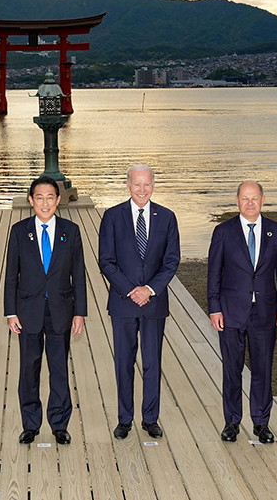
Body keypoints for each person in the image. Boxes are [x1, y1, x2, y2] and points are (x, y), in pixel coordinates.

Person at [98, 164, 180, 439]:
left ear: (153, 185)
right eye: (137, 184)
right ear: (128, 184)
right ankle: (124, 418)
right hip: (123, 302)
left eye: (146, 184)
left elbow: (171, 261)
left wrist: (149, 289)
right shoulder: (112, 217)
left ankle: (150, 418)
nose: (142, 189)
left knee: (152, 363)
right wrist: (132, 289)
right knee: (124, 361)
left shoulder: (167, 217)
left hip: (154, 303)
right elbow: (106, 261)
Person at [207, 181, 277, 444]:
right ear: (237, 200)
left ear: (263, 200)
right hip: (231, 312)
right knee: (232, 370)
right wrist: (214, 308)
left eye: (254, 198)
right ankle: (232, 422)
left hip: (265, 311)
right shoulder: (223, 232)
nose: (250, 203)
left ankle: (261, 422)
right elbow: (213, 274)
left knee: (263, 370)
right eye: (245, 198)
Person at [4, 176, 86, 445]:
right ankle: (30, 423)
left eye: (50, 197)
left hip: (62, 309)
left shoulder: (71, 231)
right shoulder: (19, 231)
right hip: (28, 310)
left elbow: (79, 275)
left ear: (58, 200)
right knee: (29, 368)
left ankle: (60, 423)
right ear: (31, 200)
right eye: (39, 197)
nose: (45, 203)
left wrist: (80, 312)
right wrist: (10, 312)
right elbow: (10, 275)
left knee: (59, 368)